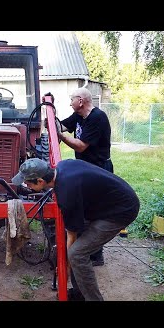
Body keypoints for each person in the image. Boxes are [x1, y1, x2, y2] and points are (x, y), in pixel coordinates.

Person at [11, 158, 140, 301]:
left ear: (40, 181)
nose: (26, 185)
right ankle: (80, 294)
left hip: (121, 211)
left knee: (77, 253)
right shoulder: (63, 165)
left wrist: (65, 267)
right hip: (108, 202)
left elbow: (72, 237)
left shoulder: (67, 194)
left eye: (28, 183)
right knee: (74, 252)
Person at [47, 87, 113, 266]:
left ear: (81, 101)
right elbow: (60, 126)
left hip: (99, 169)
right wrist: (50, 116)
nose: (70, 103)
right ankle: (85, 251)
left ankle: (96, 256)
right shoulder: (79, 116)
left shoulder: (97, 118)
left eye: (71, 100)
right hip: (87, 168)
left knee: (95, 212)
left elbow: (81, 146)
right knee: (84, 210)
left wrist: (59, 135)